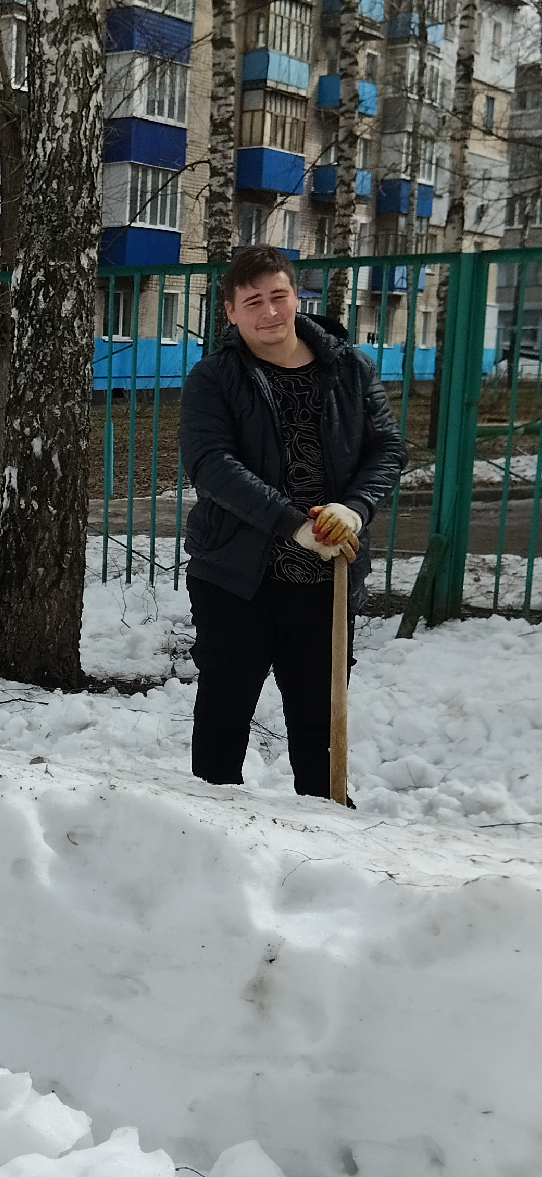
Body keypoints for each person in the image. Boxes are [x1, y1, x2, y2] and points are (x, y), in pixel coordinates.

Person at [179, 244, 407, 799]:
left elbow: (388, 448)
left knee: (320, 723)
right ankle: (212, 832)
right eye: (252, 301)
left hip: (327, 581)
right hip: (236, 578)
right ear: (230, 312)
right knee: (224, 715)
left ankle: (327, 841)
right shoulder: (215, 378)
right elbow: (210, 465)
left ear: (295, 295)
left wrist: (353, 509)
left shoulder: (349, 367)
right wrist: (294, 526)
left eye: (278, 295)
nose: (270, 312)